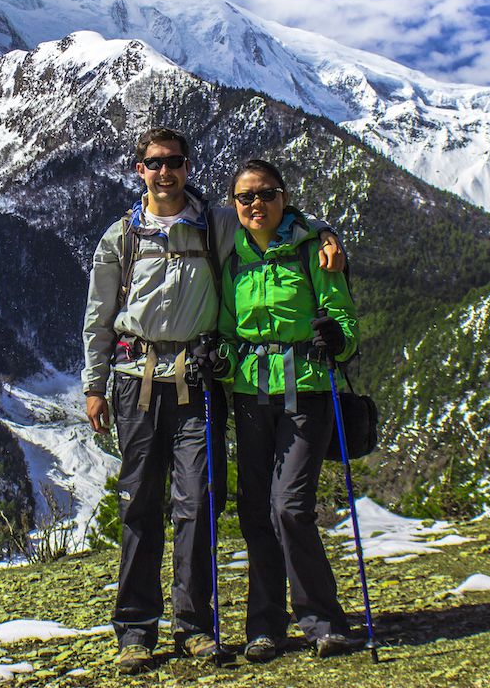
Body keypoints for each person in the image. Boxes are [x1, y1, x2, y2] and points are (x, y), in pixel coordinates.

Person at [82, 129, 343, 673]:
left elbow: (271, 224)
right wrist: (94, 384)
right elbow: (98, 316)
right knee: (139, 503)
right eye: (154, 163)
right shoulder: (121, 238)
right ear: (139, 170)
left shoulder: (215, 222)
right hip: (136, 378)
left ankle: (194, 627)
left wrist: (326, 234)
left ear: (186, 166)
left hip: (197, 381)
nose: (164, 172)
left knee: (198, 503)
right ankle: (135, 629)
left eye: (174, 162)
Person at [218, 158, 359, 661]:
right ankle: (266, 626)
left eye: (267, 194)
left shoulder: (311, 253)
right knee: (256, 510)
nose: (256, 204)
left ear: (285, 198)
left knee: (290, 507)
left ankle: (322, 620)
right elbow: (229, 329)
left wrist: (337, 339)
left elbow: (343, 321)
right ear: (234, 205)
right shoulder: (231, 257)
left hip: (307, 391)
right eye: (245, 197)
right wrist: (222, 359)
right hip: (251, 395)